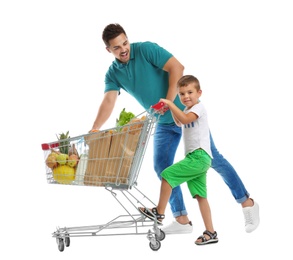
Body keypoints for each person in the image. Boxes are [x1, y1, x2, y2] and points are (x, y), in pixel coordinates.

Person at [91, 23, 260, 234]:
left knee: (214, 158)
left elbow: (177, 68)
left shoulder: (146, 49)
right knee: (162, 167)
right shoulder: (113, 73)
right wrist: (95, 128)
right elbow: (108, 101)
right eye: (116, 47)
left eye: (125, 43)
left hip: (187, 115)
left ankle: (247, 203)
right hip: (163, 123)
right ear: (108, 50)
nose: (123, 49)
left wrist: (168, 102)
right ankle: (181, 219)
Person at [139, 75, 218, 245]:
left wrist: (170, 103)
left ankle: (159, 212)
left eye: (190, 92)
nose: (186, 97)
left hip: (199, 156)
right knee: (200, 196)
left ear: (199, 93)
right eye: (181, 94)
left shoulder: (199, 108)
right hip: (196, 158)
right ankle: (211, 233)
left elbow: (185, 120)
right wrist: (169, 109)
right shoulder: (188, 110)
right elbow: (179, 121)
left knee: (167, 174)